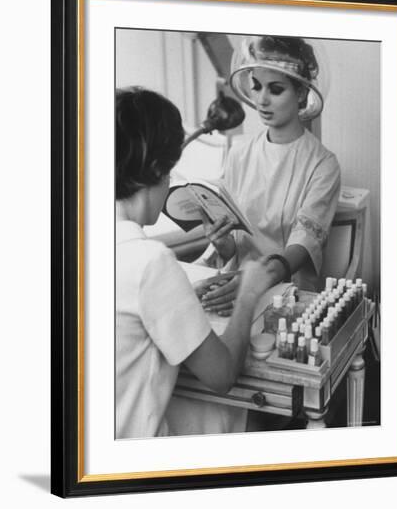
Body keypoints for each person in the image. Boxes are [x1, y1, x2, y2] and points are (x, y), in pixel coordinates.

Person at [115, 86, 273, 439]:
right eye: (170, 169)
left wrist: (182, 294)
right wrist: (248, 293)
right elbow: (221, 375)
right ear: (158, 170)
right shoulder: (150, 261)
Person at [200, 35, 341, 316]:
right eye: (256, 86)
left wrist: (256, 281)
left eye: (275, 89)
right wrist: (221, 241)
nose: (262, 99)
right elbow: (234, 246)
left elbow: (303, 244)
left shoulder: (323, 165)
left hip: (287, 296)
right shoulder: (240, 154)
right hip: (235, 287)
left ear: (301, 93)